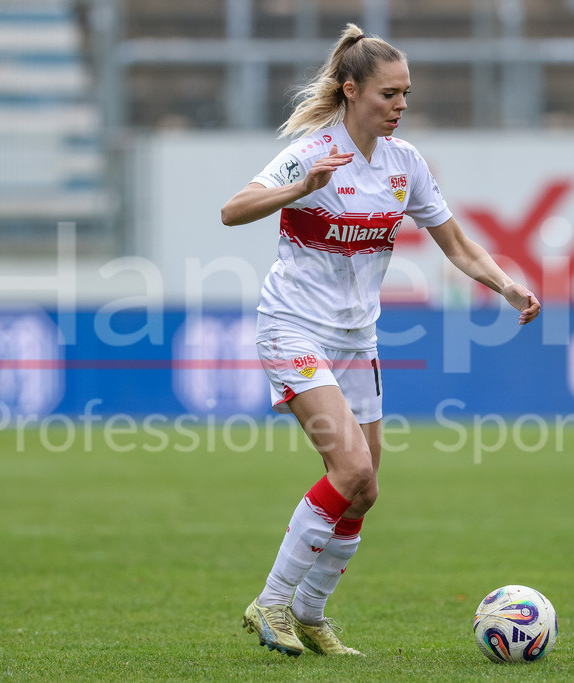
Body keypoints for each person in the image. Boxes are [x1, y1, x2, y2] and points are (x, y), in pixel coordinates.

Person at [220, 23, 540, 658]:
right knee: (352, 468)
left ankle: (310, 616)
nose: (399, 106)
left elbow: (456, 244)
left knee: (365, 491)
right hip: (293, 325)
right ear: (350, 90)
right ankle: (274, 602)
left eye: (406, 95)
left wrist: (504, 284)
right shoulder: (315, 150)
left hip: (354, 339)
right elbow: (234, 209)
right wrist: (301, 188)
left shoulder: (406, 164)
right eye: (389, 94)